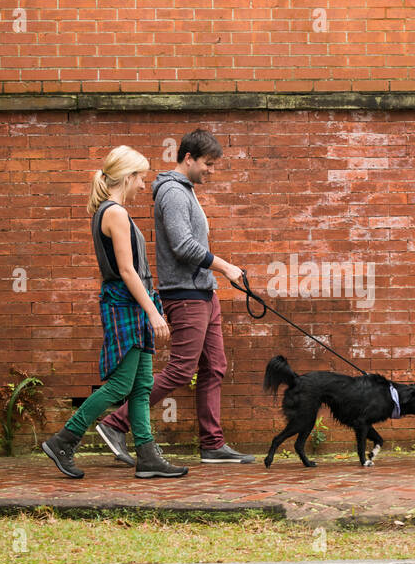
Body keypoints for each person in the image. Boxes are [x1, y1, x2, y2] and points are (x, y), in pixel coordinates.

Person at [95, 128, 255, 465]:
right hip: (185, 293)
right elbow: (182, 246)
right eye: (208, 164)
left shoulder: (187, 191)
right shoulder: (172, 193)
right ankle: (114, 423)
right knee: (182, 369)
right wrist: (224, 266)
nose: (212, 170)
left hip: (203, 291)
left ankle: (212, 444)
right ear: (188, 158)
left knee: (215, 366)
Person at [41, 145, 188, 480]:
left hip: (131, 303)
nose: (142, 186)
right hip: (128, 303)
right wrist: (153, 312)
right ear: (127, 176)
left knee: (141, 385)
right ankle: (65, 439)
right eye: (140, 178)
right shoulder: (115, 213)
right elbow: (126, 270)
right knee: (121, 384)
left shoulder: (110, 211)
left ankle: (147, 457)